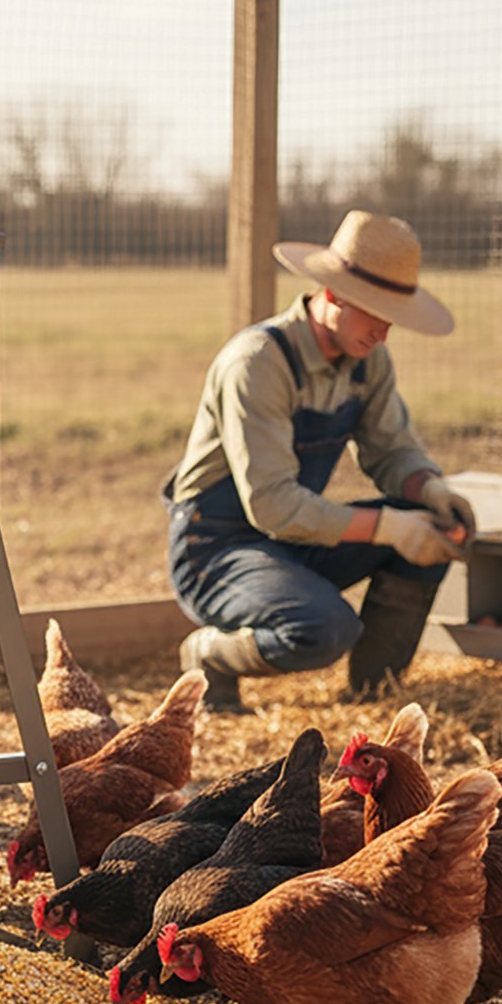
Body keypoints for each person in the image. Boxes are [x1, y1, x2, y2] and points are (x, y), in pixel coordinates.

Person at [163, 209, 476, 711]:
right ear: (332, 295)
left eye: (390, 319)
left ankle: (371, 698)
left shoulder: (368, 360)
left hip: (291, 538)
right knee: (325, 628)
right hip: (216, 547)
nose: (384, 334)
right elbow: (272, 505)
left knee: (429, 536)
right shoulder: (257, 364)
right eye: (374, 314)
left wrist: (430, 492)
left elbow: (391, 449)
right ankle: (210, 654)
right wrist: (390, 527)